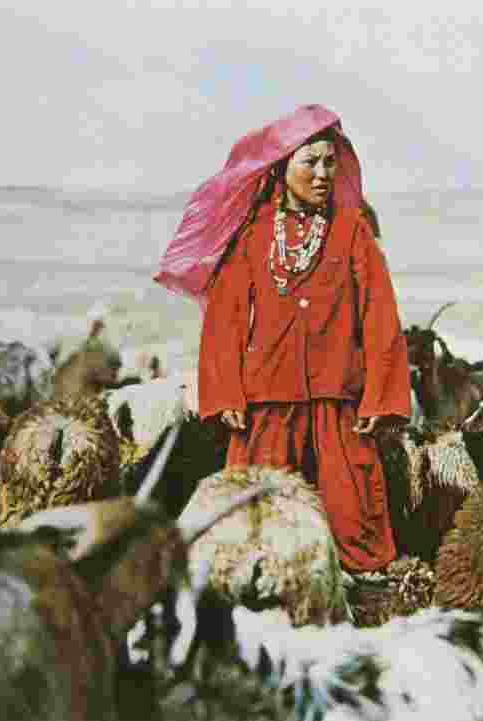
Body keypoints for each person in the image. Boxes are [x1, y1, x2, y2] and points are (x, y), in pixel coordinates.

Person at [154, 105, 411, 573]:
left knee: (355, 517)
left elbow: (380, 318)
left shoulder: (353, 231)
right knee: (256, 514)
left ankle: (370, 604)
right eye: (309, 162)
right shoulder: (252, 235)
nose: (322, 174)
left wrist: (379, 399)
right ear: (281, 167)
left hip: (339, 401)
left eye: (329, 162)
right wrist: (225, 391)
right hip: (266, 401)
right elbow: (224, 321)